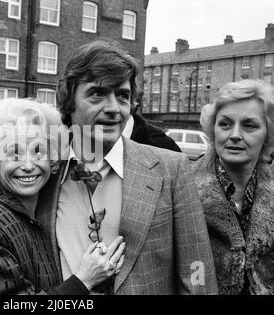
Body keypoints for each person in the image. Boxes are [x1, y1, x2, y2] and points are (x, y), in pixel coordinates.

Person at [37, 40, 218, 294]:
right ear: (69, 101)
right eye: (97, 93)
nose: (113, 108)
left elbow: (197, 269)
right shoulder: (43, 172)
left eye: (122, 96)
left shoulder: (171, 169)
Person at [0, 98, 126, 294]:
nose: (29, 165)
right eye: (15, 154)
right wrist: (83, 280)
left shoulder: (34, 214)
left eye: (38, 151)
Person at [193, 79, 274, 295]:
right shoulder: (183, 187)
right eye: (225, 124)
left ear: (268, 133)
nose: (235, 135)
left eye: (249, 125)